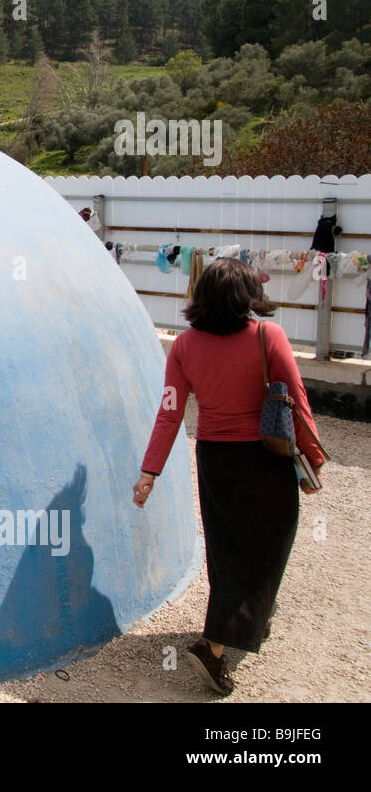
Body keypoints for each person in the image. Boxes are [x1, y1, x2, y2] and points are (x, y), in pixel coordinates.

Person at [133, 258, 325, 696]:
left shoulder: (182, 347)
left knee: (227, 549)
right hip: (265, 459)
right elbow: (297, 402)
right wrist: (312, 463)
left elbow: (169, 415)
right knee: (269, 546)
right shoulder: (267, 336)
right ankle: (215, 645)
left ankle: (253, 616)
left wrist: (150, 471)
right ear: (246, 298)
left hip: (215, 460)